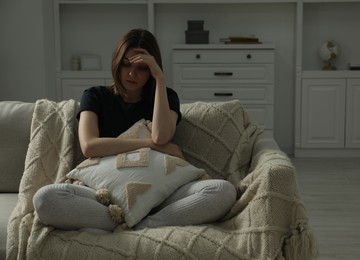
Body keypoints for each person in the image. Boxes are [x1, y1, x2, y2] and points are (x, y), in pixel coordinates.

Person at [33, 28, 237, 232]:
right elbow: (89, 146)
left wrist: (161, 80)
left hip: (161, 193)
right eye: (126, 65)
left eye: (142, 68)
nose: (132, 74)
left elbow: (160, 135)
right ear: (117, 63)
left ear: (152, 71)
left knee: (222, 190)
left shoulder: (166, 97)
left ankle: (141, 225)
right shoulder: (95, 96)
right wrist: (151, 145)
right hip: (105, 196)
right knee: (45, 199)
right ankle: (130, 220)